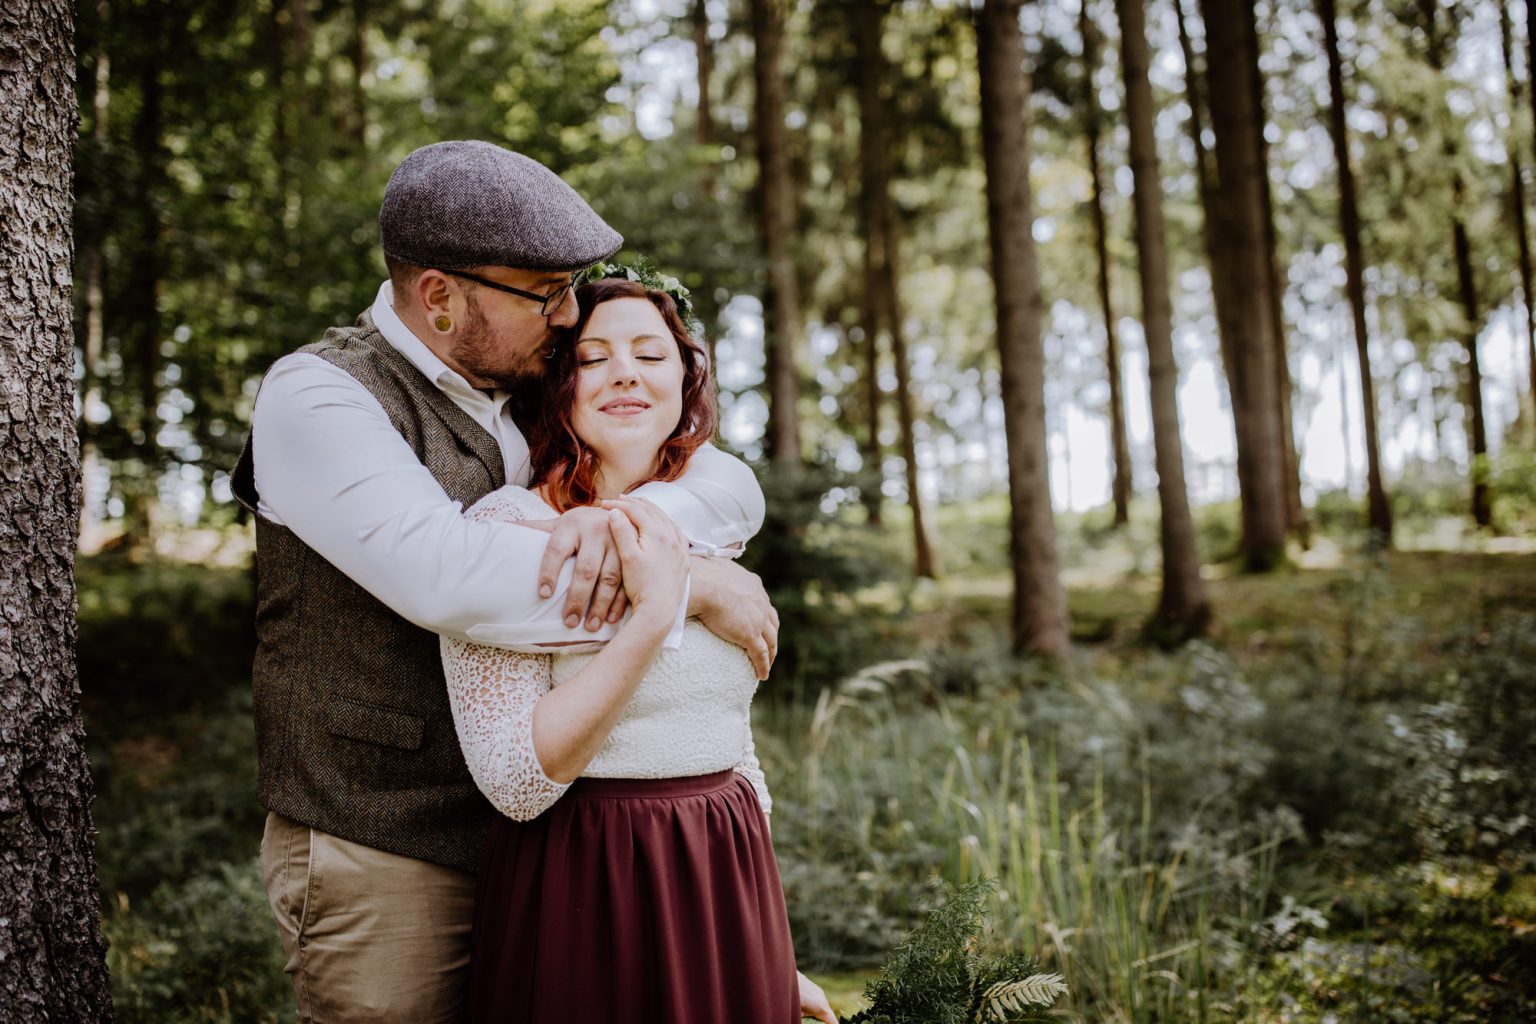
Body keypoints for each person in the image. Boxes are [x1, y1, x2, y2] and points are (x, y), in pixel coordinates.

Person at [231, 140, 780, 1023]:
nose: (569, 318)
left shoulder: (527, 387)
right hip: (386, 847)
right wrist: (688, 590)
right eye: (544, 293)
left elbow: (717, 479)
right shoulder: (320, 396)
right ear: (440, 297)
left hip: (548, 848)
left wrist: (664, 540)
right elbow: (453, 577)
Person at [442, 277, 836, 1024]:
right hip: (586, 879)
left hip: (724, 871)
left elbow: (731, 741)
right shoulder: (505, 530)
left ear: (683, 383)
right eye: (594, 357)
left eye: (650, 353)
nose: (626, 371)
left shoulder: (713, 541)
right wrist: (654, 617)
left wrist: (773, 948)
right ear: (558, 384)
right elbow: (516, 783)